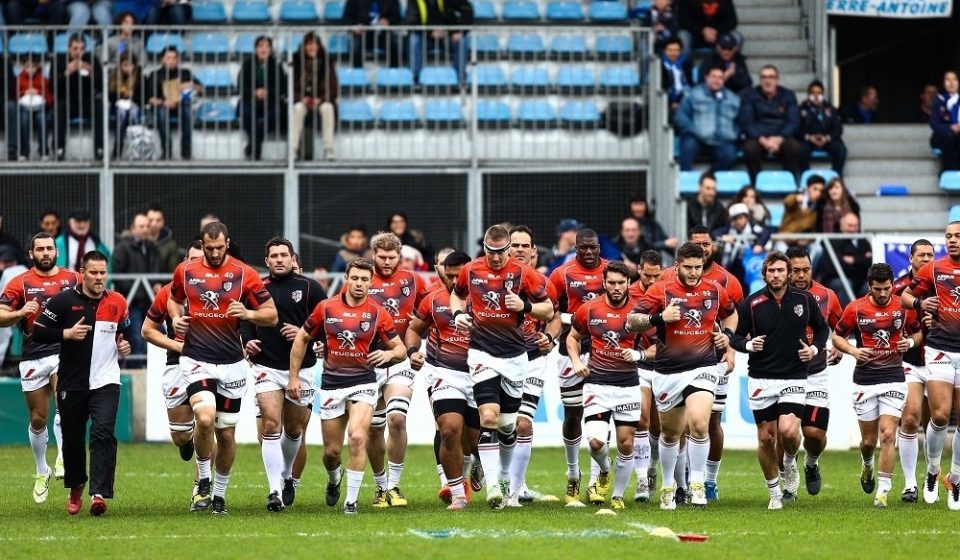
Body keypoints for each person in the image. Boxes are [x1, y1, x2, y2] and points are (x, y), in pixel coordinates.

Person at [167, 222, 278, 515]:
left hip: (232, 362)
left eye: (219, 247)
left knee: (226, 434)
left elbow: (271, 315)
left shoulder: (245, 274)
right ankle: (203, 478)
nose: (214, 253)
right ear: (201, 244)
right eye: (209, 248)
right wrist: (177, 318)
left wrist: (249, 312)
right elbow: (173, 299)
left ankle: (219, 495)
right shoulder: (186, 271)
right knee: (204, 418)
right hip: (196, 358)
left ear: (227, 243)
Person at [290, 258, 406, 514]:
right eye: (355, 278)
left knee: (356, 437)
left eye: (365, 279)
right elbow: (302, 338)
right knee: (331, 452)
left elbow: (400, 349)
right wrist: (294, 377)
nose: (359, 284)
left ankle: (351, 502)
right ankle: (334, 480)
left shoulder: (377, 312)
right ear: (346, 279)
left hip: (363, 383)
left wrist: (388, 355)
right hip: (332, 385)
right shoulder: (326, 308)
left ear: (370, 282)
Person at [449, 224, 553, 508]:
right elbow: (456, 294)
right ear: (484, 248)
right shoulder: (470, 270)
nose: (495, 258)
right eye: (491, 252)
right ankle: (494, 485)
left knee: (508, 426)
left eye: (501, 252)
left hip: (515, 357)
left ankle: (505, 476)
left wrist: (525, 307)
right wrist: (458, 313)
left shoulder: (524, 274)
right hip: (481, 353)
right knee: (489, 417)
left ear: (508, 249)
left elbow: (549, 309)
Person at [630, 242, 738, 509]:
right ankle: (668, 485)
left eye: (698, 267)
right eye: (688, 267)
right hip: (667, 371)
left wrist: (727, 336)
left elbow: (732, 314)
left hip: (703, 366)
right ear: (677, 266)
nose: (693, 272)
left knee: (700, 424)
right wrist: (659, 318)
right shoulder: (661, 290)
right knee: (669, 434)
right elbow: (632, 321)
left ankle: (697, 483)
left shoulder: (714, 290)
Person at [726, 251, 830, 509]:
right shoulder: (752, 303)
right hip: (761, 377)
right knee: (766, 439)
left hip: (794, 375)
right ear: (765, 274)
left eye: (781, 270)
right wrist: (749, 345)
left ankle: (790, 462)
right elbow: (736, 338)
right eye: (771, 271)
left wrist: (814, 349)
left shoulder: (804, 300)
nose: (776, 275)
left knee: (789, 431)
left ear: (789, 273)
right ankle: (774, 492)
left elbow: (822, 329)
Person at [32, 251, 131, 516]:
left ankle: (98, 493)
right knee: (73, 440)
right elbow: (38, 331)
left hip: (107, 381)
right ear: (82, 272)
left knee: (103, 433)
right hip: (72, 382)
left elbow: (125, 331)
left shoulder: (118, 301)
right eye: (93, 272)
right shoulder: (63, 301)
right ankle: (76, 487)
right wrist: (66, 333)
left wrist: (124, 344)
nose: (99, 278)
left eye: (102, 272)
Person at [241, 238, 326, 512]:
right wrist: (247, 342)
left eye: (283, 255)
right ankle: (274, 491)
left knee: (294, 430)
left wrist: (305, 333)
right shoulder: (257, 288)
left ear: (292, 259)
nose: (279, 259)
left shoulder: (310, 287)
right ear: (266, 261)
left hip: (303, 369)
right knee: (270, 425)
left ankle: (287, 475)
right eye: (273, 256)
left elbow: (327, 322)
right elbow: (245, 320)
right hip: (266, 365)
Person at [0, 233, 79, 504]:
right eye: (40, 249)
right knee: (38, 419)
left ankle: (62, 458)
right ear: (31, 254)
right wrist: (20, 313)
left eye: (50, 248)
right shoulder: (19, 282)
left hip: (63, 350)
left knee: (65, 402)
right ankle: (41, 469)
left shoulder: (72, 279)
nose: (46, 253)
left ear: (56, 251)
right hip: (33, 355)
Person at [833, 263, 920, 508]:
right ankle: (867, 464)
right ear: (869, 287)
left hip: (894, 376)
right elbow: (837, 335)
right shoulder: (856, 307)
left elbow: (918, 333)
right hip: (865, 380)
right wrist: (852, 350)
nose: (883, 294)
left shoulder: (903, 307)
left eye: (886, 288)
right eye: (877, 289)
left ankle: (883, 491)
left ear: (892, 285)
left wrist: (910, 344)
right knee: (869, 442)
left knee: (888, 434)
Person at [566, 261, 645, 511]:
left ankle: (618, 495)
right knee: (596, 443)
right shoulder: (589, 309)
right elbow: (571, 337)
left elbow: (658, 345)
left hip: (628, 386)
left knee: (626, 443)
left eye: (621, 282)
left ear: (629, 284)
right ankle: (604, 469)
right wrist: (577, 360)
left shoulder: (639, 311)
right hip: (597, 385)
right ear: (604, 283)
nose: (616, 287)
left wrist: (640, 356)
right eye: (611, 282)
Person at [357, 232, 428, 507]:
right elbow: (340, 313)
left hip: (400, 360)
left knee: (397, 419)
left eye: (392, 257)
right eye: (382, 257)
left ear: (400, 257)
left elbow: (432, 308)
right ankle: (380, 486)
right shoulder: (361, 278)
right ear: (373, 254)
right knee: (374, 429)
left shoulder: (412, 279)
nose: (386, 262)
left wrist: (420, 321)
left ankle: (395, 487)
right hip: (369, 361)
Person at [405, 250, 477, 510]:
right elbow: (414, 329)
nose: (453, 282)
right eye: (449, 276)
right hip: (444, 372)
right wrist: (413, 351)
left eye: (459, 276)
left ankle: (480, 462)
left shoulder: (488, 299)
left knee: (477, 438)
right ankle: (457, 492)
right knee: (449, 430)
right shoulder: (433, 299)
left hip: (481, 373)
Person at [141, 241, 205, 510]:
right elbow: (147, 330)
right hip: (177, 365)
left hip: (211, 364)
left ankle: (202, 488)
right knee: (180, 434)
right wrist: (177, 345)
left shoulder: (224, 290)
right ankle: (187, 440)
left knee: (207, 420)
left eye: (201, 260)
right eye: (191, 260)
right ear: (183, 263)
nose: (197, 265)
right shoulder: (168, 293)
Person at [900, 222, 960, 509]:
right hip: (940, 349)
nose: (952, 241)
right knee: (939, 415)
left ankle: (956, 479)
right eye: (948, 236)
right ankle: (933, 471)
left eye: (958, 236)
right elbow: (906, 296)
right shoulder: (933, 268)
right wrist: (920, 304)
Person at [547, 229, 607, 506]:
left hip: (605, 351)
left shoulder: (611, 272)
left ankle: (596, 480)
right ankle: (573, 472)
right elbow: (551, 310)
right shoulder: (561, 274)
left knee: (599, 416)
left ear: (598, 246)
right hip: (569, 350)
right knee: (573, 414)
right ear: (576, 248)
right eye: (583, 248)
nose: (588, 252)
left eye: (593, 247)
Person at [786, 246, 842, 496]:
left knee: (814, 434)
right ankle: (787, 472)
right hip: (783, 374)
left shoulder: (827, 295)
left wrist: (839, 346)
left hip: (816, 374)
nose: (800, 275)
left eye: (805, 270)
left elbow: (840, 326)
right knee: (785, 433)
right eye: (795, 270)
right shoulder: (775, 297)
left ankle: (811, 463)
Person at [504, 226, 554, 505]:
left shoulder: (543, 282)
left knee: (523, 424)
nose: (520, 250)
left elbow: (555, 315)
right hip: (498, 358)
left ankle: (515, 486)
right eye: (515, 245)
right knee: (498, 424)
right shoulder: (492, 280)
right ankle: (487, 472)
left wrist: (550, 336)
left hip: (533, 359)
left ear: (533, 251)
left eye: (526, 245)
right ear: (505, 249)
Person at [892, 239, 935, 503]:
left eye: (931, 255)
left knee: (937, 421)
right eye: (922, 255)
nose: (927, 260)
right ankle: (910, 484)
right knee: (910, 419)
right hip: (909, 361)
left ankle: (933, 472)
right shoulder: (897, 289)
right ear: (910, 259)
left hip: (940, 360)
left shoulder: (947, 285)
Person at [626, 249, 663, 502]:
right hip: (639, 363)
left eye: (656, 275)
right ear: (639, 270)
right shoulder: (630, 295)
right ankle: (641, 479)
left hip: (666, 365)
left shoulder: (669, 292)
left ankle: (652, 467)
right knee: (641, 419)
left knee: (662, 429)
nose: (651, 280)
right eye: (647, 275)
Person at [111, 211, 161, 367]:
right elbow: (118, 275)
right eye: (141, 226)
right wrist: (138, 289)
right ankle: (137, 373)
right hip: (131, 302)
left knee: (151, 337)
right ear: (133, 228)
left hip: (150, 302)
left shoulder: (153, 248)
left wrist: (157, 283)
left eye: (147, 226)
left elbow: (157, 270)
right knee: (136, 338)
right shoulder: (122, 248)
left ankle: (148, 370)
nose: (145, 229)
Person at [739, 64, 801, 182]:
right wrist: (762, 140)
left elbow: (793, 121)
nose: (767, 81)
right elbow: (747, 121)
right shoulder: (749, 95)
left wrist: (779, 138)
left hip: (781, 137)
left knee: (794, 147)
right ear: (760, 80)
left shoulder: (788, 95)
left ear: (777, 79)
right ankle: (756, 183)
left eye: (771, 77)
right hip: (758, 138)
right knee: (749, 148)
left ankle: (789, 182)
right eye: (764, 77)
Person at [675, 65, 740, 172]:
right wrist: (694, 130)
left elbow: (739, 120)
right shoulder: (693, 94)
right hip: (696, 138)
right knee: (688, 147)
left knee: (730, 155)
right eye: (713, 76)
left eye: (720, 77)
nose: (716, 80)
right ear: (706, 78)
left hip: (722, 140)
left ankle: (709, 178)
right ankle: (683, 179)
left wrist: (734, 133)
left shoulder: (733, 99)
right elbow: (680, 116)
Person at [53, 33, 105, 161]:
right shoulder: (59, 60)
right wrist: (67, 73)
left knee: (99, 107)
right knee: (59, 107)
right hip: (67, 100)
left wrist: (91, 75)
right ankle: (59, 148)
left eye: (81, 49)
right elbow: (53, 87)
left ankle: (100, 149)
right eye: (75, 49)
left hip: (87, 99)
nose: (78, 52)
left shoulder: (92, 59)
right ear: (69, 48)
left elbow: (100, 85)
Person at [145, 47, 200, 160]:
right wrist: (164, 102)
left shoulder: (185, 73)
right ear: (162, 60)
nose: (171, 61)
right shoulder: (155, 74)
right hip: (162, 105)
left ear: (178, 59)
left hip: (181, 105)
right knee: (161, 112)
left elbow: (202, 89)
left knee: (188, 110)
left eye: (174, 58)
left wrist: (191, 85)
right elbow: (149, 98)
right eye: (168, 58)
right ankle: (167, 150)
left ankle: (186, 150)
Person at [239, 36, 288, 161]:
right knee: (246, 113)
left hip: (271, 101)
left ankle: (252, 146)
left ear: (271, 50)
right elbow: (240, 85)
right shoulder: (247, 64)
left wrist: (268, 92)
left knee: (275, 114)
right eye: (260, 46)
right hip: (251, 100)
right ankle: (256, 148)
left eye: (267, 46)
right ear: (255, 49)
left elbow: (282, 87)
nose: (263, 49)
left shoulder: (276, 66)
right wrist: (254, 92)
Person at [291, 32, 338, 161]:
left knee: (327, 107)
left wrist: (321, 99)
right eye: (309, 44)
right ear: (304, 46)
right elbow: (290, 87)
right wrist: (302, 98)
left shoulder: (327, 62)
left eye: (314, 44)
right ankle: (293, 150)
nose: (312, 47)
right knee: (298, 108)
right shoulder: (296, 62)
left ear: (319, 46)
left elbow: (333, 88)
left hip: (321, 99)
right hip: (303, 99)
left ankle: (329, 149)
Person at [405, 0, 473, 83]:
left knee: (461, 41)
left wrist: (459, 31)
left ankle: (461, 80)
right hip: (425, 37)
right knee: (414, 41)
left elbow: (467, 9)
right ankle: (415, 80)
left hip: (448, 36)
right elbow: (411, 22)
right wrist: (430, 32)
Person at [818, 212, 872, 306]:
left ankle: (868, 317)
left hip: (860, 281)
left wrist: (853, 260)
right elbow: (832, 268)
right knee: (845, 283)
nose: (853, 229)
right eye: (850, 225)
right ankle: (846, 317)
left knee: (872, 286)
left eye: (855, 226)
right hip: (835, 280)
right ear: (841, 226)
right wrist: (862, 259)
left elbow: (871, 263)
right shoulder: (833, 240)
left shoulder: (863, 241)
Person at [713, 202, 769, 288]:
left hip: (749, 265)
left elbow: (765, 232)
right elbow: (715, 233)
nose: (738, 221)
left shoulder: (753, 227)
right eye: (734, 219)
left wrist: (760, 244)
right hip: (732, 266)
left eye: (740, 217)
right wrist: (722, 237)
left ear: (746, 218)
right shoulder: (728, 229)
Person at [798, 80, 846, 176]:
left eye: (819, 93)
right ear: (808, 94)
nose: (816, 96)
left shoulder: (830, 108)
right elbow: (797, 129)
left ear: (823, 95)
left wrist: (827, 138)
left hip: (827, 139)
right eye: (813, 93)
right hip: (808, 140)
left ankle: (835, 177)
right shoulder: (801, 109)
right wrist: (809, 137)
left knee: (841, 150)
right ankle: (806, 177)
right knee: (801, 151)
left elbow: (838, 128)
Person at [13, 57, 52, 162]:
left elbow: (49, 97)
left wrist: (39, 92)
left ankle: (44, 151)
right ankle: (24, 152)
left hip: (40, 108)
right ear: (23, 66)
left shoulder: (43, 79)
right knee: (23, 119)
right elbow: (14, 96)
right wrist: (23, 93)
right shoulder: (18, 79)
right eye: (28, 66)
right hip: (24, 108)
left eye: (33, 66)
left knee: (42, 119)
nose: (30, 69)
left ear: (37, 66)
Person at [344, 0, 402, 68]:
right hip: (361, 35)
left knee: (396, 42)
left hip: (384, 35)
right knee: (354, 43)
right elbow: (346, 18)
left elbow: (397, 17)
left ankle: (393, 73)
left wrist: (388, 21)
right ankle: (358, 73)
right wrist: (354, 27)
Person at [107, 53, 142, 159]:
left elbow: (143, 96)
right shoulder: (114, 77)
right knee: (121, 114)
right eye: (125, 65)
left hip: (134, 105)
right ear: (120, 65)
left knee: (134, 112)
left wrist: (133, 96)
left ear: (134, 66)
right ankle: (117, 150)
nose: (127, 68)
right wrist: (122, 95)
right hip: (118, 107)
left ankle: (138, 151)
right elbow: (110, 96)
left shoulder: (139, 77)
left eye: (130, 65)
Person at [930, 71, 960, 172]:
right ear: (943, 83)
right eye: (948, 80)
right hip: (943, 136)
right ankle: (947, 170)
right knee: (949, 137)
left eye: (954, 79)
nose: (951, 83)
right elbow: (934, 124)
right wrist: (950, 128)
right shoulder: (938, 101)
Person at [660, 38, 692, 115]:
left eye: (676, 50)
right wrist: (671, 102)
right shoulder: (659, 64)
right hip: (665, 99)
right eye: (670, 50)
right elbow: (661, 86)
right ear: (664, 51)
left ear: (680, 51)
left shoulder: (686, 63)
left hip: (683, 98)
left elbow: (689, 83)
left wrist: (678, 101)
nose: (673, 53)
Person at [146, 204, 179, 273]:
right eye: (150, 220)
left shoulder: (171, 245)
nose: (154, 224)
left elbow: (173, 271)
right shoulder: (138, 242)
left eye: (158, 220)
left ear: (163, 222)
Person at [3, 0, 67, 26]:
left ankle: (52, 43)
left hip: (47, 6)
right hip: (25, 6)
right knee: (12, 6)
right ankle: (18, 41)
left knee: (58, 7)